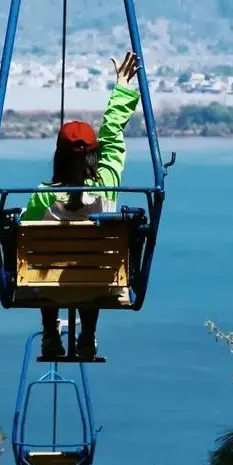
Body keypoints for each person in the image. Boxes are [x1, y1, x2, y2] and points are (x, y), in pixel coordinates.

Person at [20, 50, 141, 360]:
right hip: (99, 287)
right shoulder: (107, 183)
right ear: (94, 156)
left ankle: (50, 334)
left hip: (48, 290)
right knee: (93, 267)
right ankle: (86, 335)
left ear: (58, 156)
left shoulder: (44, 195)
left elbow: (22, 229)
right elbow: (112, 136)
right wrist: (123, 86)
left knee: (45, 261)